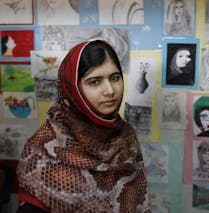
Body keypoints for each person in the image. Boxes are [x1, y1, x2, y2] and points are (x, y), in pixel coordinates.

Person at [16, 40, 151, 212]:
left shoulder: (126, 136)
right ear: (73, 88)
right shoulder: (41, 149)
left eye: (115, 78)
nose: (110, 90)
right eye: (95, 81)